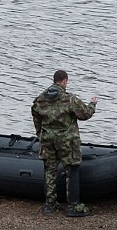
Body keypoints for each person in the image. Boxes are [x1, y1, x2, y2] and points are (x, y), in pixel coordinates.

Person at [31, 70, 97, 217]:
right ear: (65, 81)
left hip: (47, 138)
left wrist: (40, 133)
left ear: (53, 80)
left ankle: (50, 205)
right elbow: (85, 114)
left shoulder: (40, 99)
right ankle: (73, 206)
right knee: (72, 169)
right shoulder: (69, 99)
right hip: (67, 140)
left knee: (50, 170)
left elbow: (35, 114)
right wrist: (92, 104)